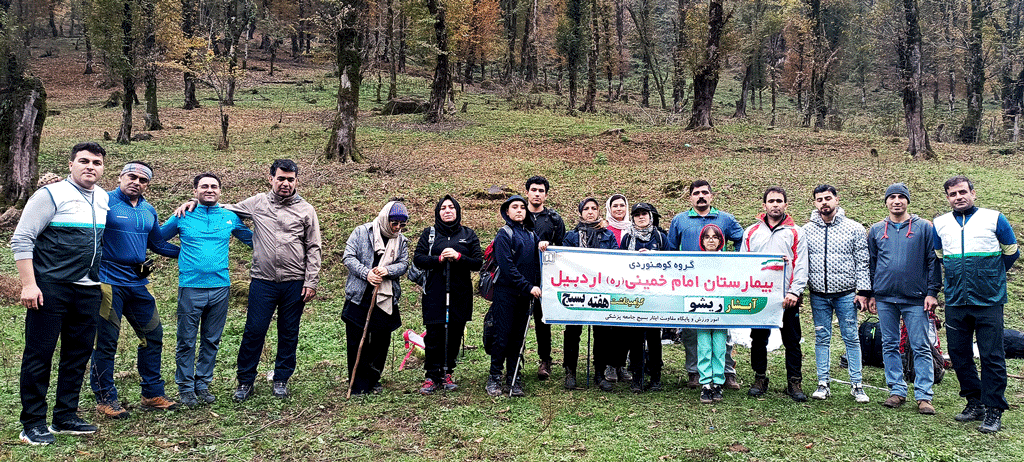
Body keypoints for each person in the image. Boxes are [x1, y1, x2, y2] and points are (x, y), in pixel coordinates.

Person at [179, 159, 322, 402]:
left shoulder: (306, 210)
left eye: (290, 179)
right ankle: (245, 381)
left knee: (289, 332)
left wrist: (311, 281)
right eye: (281, 178)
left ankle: (281, 379)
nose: (285, 183)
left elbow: (314, 246)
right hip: (262, 281)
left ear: (296, 181)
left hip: (294, 282)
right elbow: (226, 208)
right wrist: (197, 203)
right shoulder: (257, 202)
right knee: (254, 331)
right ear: (271, 179)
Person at [11, 142, 109, 445]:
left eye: (96, 162)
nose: (90, 166)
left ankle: (65, 416)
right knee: (39, 355)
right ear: (71, 164)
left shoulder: (103, 198)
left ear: (103, 167)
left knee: (77, 355)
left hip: (88, 288)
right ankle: (32, 423)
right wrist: (29, 284)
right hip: (51, 287)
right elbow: (22, 239)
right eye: (83, 161)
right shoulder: (50, 194)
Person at [90, 161, 182, 419]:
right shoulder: (103, 201)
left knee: (153, 335)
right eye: (132, 176)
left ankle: (152, 393)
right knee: (106, 342)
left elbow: (158, 244)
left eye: (143, 180)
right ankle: (105, 397)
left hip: (138, 282)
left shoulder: (148, 210)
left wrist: (191, 254)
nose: (136, 182)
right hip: (108, 281)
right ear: (121, 177)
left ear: (147, 185)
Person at [932, 175, 1018, 433]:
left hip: (989, 300)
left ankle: (994, 410)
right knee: (959, 354)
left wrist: (991, 277)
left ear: (973, 193)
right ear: (947, 198)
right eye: (952, 194)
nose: (958, 197)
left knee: (992, 355)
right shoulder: (940, 224)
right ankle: (974, 401)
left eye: (962, 192)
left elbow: (1012, 251)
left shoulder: (994, 218)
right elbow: (939, 257)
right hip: (956, 300)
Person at [160, 173, 253, 407]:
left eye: (214, 186)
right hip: (191, 287)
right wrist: (180, 254)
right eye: (204, 186)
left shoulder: (229, 217)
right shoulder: (183, 215)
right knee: (186, 340)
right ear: (195, 191)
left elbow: (253, 240)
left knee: (212, 339)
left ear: (220, 191)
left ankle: (202, 383)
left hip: (221, 286)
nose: (209, 189)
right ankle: (185, 386)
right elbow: (157, 239)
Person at [866, 183, 941, 415]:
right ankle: (897, 390)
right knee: (889, 344)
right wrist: (870, 294)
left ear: (907, 201)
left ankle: (924, 395)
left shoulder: (924, 228)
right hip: (885, 297)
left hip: (915, 298)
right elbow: (871, 263)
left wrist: (932, 292)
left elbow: (932, 261)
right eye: (892, 197)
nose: (896, 201)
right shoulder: (877, 230)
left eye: (901, 197)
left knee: (920, 345)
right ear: (886, 202)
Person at [665, 180, 745, 390]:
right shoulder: (680, 220)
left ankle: (727, 372)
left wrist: (734, 261)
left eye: (704, 193)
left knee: (722, 327)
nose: (700, 196)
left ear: (711, 196)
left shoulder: (725, 219)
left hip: (720, 282)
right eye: (696, 193)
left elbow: (741, 239)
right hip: (691, 283)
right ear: (690, 197)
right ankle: (695, 371)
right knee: (692, 329)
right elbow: (671, 249)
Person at [802, 185, 871, 403]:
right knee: (822, 337)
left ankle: (857, 384)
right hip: (818, 294)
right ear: (814, 203)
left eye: (828, 198)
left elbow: (863, 261)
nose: (824, 202)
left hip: (846, 294)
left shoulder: (855, 228)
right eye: (819, 199)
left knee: (851, 337)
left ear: (837, 200)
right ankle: (823, 383)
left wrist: (863, 291)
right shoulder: (806, 230)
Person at [742, 186, 809, 402]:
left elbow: (801, 264)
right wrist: (748, 290)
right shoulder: (751, 231)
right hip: (760, 296)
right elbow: (744, 263)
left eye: (779, 201)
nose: (775, 204)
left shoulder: (796, 232)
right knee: (758, 339)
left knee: (792, 340)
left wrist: (795, 291)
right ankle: (760, 377)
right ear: (764, 205)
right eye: (771, 201)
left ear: (785, 205)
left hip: (787, 297)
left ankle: (794, 381)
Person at [413, 195, 483, 394]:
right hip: (435, 292)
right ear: (438, 212)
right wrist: (439, 259)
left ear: (458, 211)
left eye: (451, 207)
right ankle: (431, 376)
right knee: (434, 335)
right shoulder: (430, 234)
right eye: (443, 208)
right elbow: (418, 259)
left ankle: (447, 372)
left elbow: (478, 263)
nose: (447, 210)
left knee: (454, 333)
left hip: (460, 293)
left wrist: (459, 257)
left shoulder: (468, 234)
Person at [343, 200, 410, 395]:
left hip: (385, 297)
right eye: (394, 223)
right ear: (384, 219)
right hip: (359, 295)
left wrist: (386, 270)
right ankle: (356, 381)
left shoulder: (401, 240)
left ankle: (373, 378)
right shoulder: (362, 232)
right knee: (356, 340)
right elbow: (348, 257)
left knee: (381, 341)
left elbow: (403, 264)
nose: (397, 228)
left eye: (401, 225)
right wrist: (367, 273)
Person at [485, 195, 542, 397]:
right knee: (502, 335)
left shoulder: (531, 235)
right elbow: (507, 267)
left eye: (522, 207)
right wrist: (528, 286)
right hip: (506, 293)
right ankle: (494, 377)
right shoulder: (504, 234)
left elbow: (537, 264)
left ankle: (514, 377)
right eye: (514, 207)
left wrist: (542, 248)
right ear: (507, 212)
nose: (519, 210)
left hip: (525, 295)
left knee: (519, 337)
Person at [561, 198, 619, 391]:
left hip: (601, 290)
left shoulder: (608, 235)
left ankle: (599, 373)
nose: (590, 212)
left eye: (594, 208)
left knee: (602, 333)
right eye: (586, 209)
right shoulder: (572, 236)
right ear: (580, 212)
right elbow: (564, 260)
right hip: (576, 291)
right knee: (572, 332)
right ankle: (570, 372)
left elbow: (615, 260)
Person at [619, 202, 669, 392]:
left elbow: (671, 262)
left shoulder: (660, 237)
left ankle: (656, 377)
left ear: (651, 216)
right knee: (635, 337)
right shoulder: (627, 239)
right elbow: (619, 263)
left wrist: (653, 257)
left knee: (655, 337)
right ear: (632, 218)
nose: (641, 217)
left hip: (655, 295)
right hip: (633, 296)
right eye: (637, 214)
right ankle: (637, 378)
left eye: (644, 214)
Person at [523, 176, 565, 381]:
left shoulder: (554, 219)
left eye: (541, 190)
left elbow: (563, 248)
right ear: (527, 193)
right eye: (533, 190)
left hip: (546, 278)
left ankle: (545, 360)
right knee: (518, 320)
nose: (537, 194)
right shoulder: (519, 215)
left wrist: (550, 247)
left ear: (546, 195)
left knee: (542, 321)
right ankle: (516, 358)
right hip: (521, 276)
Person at [695, 225, 728, 403]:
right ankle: (706, 384)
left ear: (720, 240)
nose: (711, 240)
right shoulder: (694, 261)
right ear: (701, 241)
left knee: (720, 348)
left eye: (715, 237)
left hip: (722, 312)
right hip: (701, 310)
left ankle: (718, 383)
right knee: (705, 347)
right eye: (707, 237)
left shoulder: (729, 261)